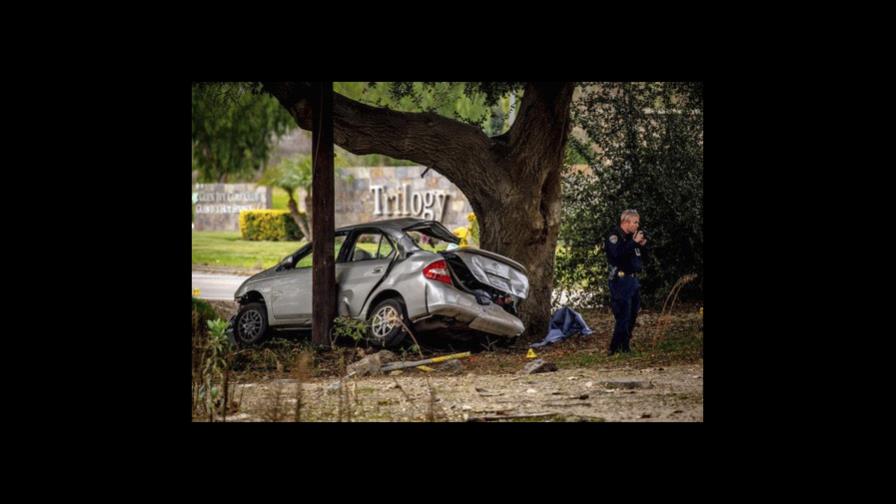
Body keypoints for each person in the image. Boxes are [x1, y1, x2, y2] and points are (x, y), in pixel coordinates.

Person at [604, 209, 647, 355]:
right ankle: (615, 348)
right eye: (635, 222)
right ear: (626, 222)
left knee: (633, 313)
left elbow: (637, 258)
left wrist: (640, 245)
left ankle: (625, 344)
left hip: (633, 280)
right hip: (620, 280)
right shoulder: (614, 236)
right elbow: (617, 255)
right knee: (624, 314)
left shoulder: (630, 238)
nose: (637, 225)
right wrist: (633, 243)